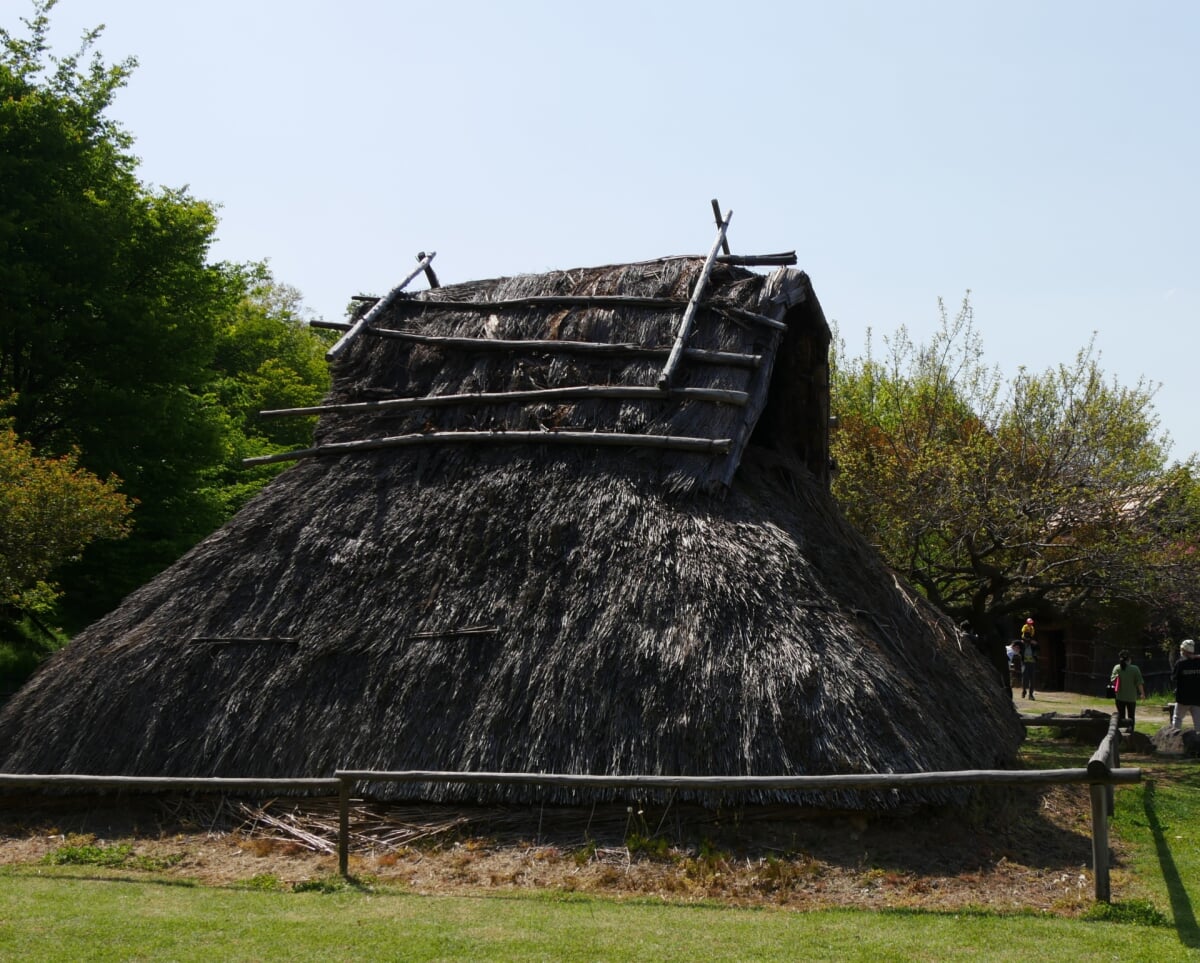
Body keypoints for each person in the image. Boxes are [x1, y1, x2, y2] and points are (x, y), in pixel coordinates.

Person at [1110, 649, 1146, 730]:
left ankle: (1121, 733)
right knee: (1131, 716)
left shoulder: (1117, 668)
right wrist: (1142, 694)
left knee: (1121, 716)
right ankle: (1131, 733)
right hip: (1131, 698)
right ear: (1129, 659)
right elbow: (1139, 683)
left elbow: (1113, 681)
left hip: (1119, 697)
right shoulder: (1135, 669)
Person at [1171, 639, 1200, 730]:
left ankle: (1174, 738)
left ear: (1183, 651)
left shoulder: (1180, 663)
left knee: (1177, 718)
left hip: (1183, 698)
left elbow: (1173, 678)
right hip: (1197, 697)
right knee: (1198, 722)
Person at [1020, 621, 1038, 699]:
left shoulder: (1034, 644)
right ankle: (1024, 691)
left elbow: (1038, 648)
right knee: (1025, 678)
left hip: (1032, 662)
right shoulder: (1022, 644)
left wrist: (1034, 643)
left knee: (1033, 679)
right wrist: (1024, 641)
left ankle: (1031, 694)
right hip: (1024, 662)